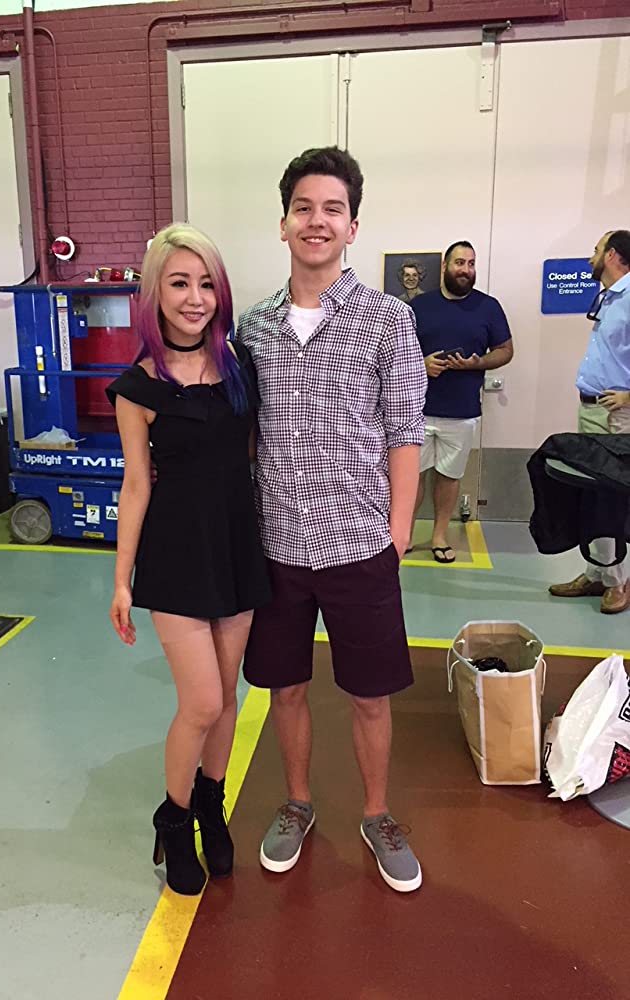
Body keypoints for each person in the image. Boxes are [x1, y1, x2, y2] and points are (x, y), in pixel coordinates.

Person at [237, 147, 427, 893]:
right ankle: (298, 802)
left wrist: (398, 529)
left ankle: (377, 813)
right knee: (284, 687)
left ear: (352, 227)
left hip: (360, 541)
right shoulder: (253, 328)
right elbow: (245, 434)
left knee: (369, 693)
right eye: (304, 208)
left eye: (333, 210)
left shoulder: (387, 320)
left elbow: (403, 431)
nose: (317, 221)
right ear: (284, 222)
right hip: (279, 544)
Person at [106, 223, 271, 895]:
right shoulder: (137, 388)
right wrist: (121, 580)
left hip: (236, 545)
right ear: (154, 294)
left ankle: (211, 801)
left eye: (206, 283)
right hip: (176, 555)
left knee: (227, 697)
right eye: (179, 283)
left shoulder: (240, 368)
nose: (195, 297)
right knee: (200, 702)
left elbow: (253, 454)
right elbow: (135, 485)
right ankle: (174, 819)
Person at [410, 241, 513, 563]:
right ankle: (404, 534)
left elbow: (505, 351)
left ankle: (439, 536)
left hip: (462, 411)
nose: (466, 270)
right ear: (444, 266)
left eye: (471, 263)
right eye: (459, 263)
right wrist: (421, 364)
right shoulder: (418, 306)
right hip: (416, 410)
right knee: (411, 476)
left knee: (450, 476)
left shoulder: (489, 307)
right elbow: (395, 352)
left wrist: (477, 363)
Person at [548, 229, 630, 615]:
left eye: (596, 251)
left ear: (612, 255)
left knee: (610, 498)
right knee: (594, 495)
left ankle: (617, 583)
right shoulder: (610, 297)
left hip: (615, 415)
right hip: (593, 410)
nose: (590, 258)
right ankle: (597, 573)